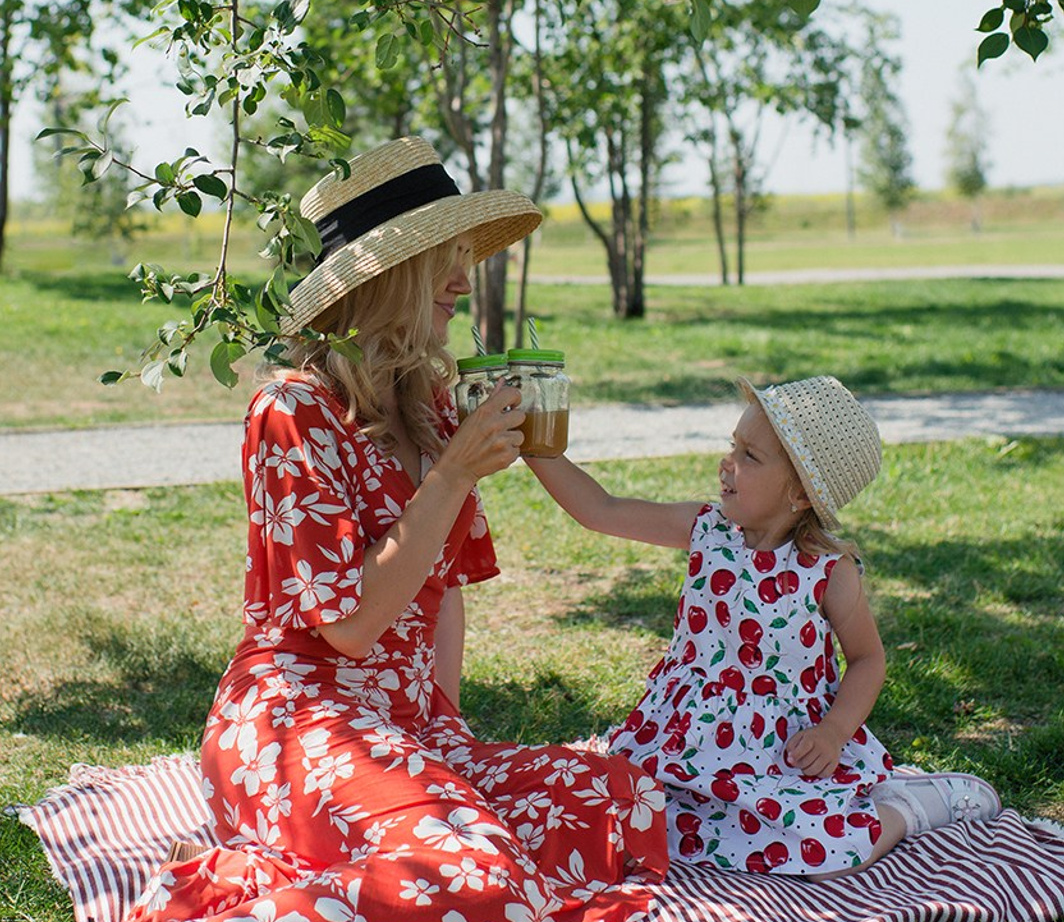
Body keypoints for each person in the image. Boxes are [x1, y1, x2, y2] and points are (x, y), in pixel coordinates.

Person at [128, 136, 668, 922]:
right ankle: (231, 889)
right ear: (385, 276)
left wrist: (444, 737)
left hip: (406, 721)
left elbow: (442, 589)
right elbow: (349, 627)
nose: (462, 279)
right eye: (441, 259)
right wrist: (450, 476)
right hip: (298, 718)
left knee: (616, 795)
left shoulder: (432, 406)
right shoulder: (291, 412)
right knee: (477, 883)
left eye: (461, 255)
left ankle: (327, 860)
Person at [523, 374, 1001, 880]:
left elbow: (868, 659)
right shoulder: (706, 529)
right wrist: (534, 447)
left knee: (826, 854)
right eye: (734, 446)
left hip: (778, 753)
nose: (728, 463)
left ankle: (910, 806)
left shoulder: (827, 572)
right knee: (626, 822)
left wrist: (835, 732)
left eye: (750, 456)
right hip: (684, 739)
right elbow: (602, 510)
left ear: (798, 492)